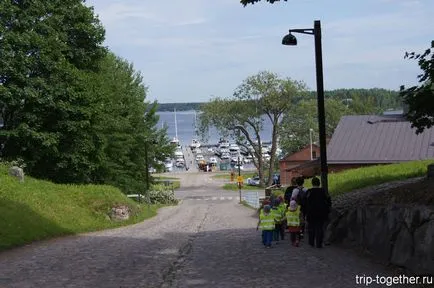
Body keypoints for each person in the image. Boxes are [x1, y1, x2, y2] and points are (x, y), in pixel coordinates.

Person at [305, 177, 332, 248]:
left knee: (311, 227)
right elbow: (328, 200)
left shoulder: (309, 191)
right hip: (321, 212)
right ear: (319, 183)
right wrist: (328, 208)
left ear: (312, 183)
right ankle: (319, 243)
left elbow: (305, 202)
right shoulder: (322, 191)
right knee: (319, 227)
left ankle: (311, 242)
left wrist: (305, 212)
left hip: (311, 212)